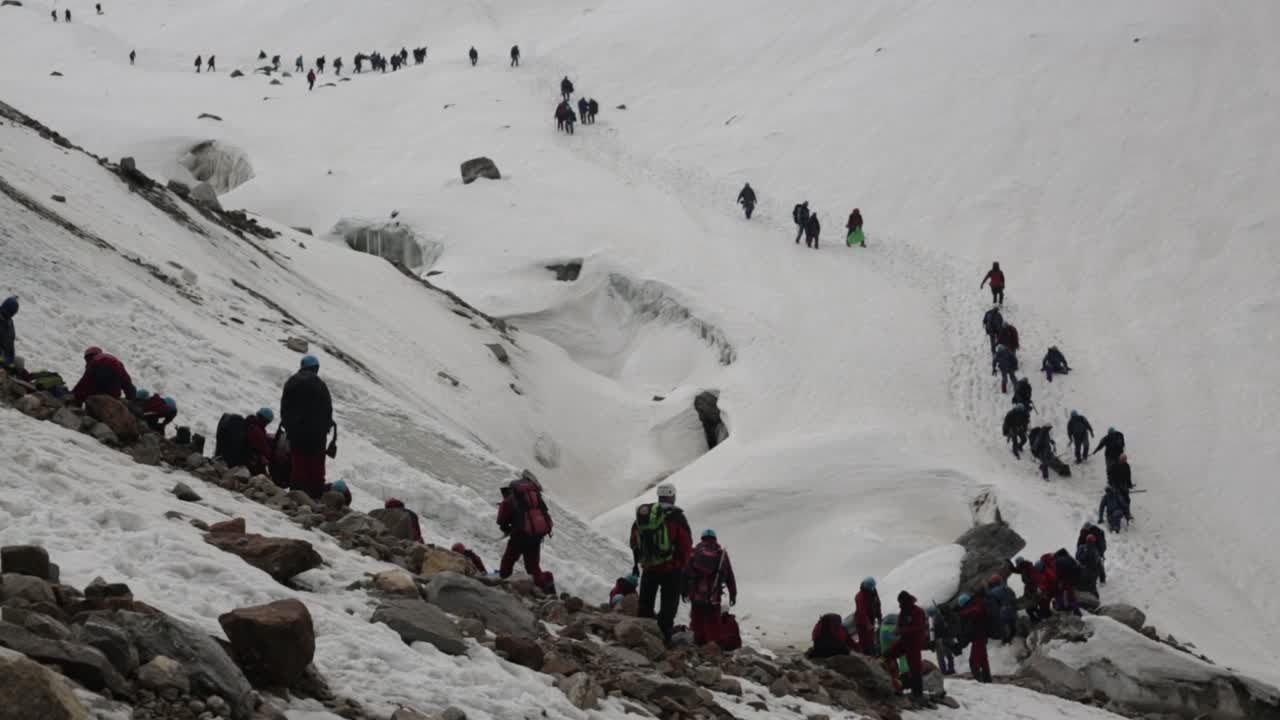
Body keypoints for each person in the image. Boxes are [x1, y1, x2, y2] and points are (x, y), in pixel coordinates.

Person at [630, 483, 693, 644]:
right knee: (668, 605)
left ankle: (641, 637)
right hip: (671, 569)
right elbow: (686, 544)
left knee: (645, 602)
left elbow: (634, 541)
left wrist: (640, 562)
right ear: (673, 496)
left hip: (649, 566)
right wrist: (682, 565)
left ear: (658, 496)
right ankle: (664, 639)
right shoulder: (677, 516)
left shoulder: (644, 516)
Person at [280, 355, 333, 498]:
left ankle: (297, 492)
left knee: (299, 462)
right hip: (317, 434)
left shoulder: (291, 382)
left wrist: (289, 427)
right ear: (315, 368)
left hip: (297, 432)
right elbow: (328, 409)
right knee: (316, 464)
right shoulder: (320, 384)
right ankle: (315, 494)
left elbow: (285, 407)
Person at [496, 471, 553, 586]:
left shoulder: (509, 499)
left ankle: (502, 582)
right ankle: (543, 587)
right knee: (533, 565)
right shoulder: (534, 496)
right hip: (536, 536)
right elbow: (545, 513)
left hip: (520, 535)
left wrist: (507, 528)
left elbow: (501, 520)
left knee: (508, 560)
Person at [683, 529, 737, 646]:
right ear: (715, 539)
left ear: (702, 538)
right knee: (713, 623)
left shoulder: (694, 552)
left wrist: (684, 591)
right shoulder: (721, 554)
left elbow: (686, 573)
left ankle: (697, 644)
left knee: (697, 620)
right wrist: (733, 594)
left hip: (696, 595)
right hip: (714, 595)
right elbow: (729, 576)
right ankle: (712, 646)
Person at [886, 591, 928, 703]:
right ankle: (895, 684)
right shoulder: (903, 611)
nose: (900, 604)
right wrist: (898, 630)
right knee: (888, 654)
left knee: (915, 667)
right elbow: (900, 624)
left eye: (901, 602)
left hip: (914, 643)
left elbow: (918, 628)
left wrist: (901, 630)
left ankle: (917, 694)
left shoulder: (918, 612)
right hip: (904, 641)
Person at [72, 347, 136, 404]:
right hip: (113, 388)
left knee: (89, 392)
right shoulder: (116, 361)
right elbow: (127, 382)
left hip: (99, 376)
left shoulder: (93, 361)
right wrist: (132, 400)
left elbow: (84, 382)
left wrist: (74, 393)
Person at [956, 593, 992, 682]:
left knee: (973, 660)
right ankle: (987, 679)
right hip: (982, 636)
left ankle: (978, 680)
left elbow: (970, 630)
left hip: (977, 638)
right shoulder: (977, 607)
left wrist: (963, 641)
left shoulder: (969, 613)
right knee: (983, 659)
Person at [853, 577, 882, 656]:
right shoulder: (860, 597)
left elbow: (878, 604)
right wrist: (868, 624)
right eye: (871, 587)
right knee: (864, 641)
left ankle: (872, 654)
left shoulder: (874, 592)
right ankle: (866, 655)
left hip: (871, 619)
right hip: (861, 622)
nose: (873, 589)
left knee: (871, 640)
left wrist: (879, 618)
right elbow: (862, 612)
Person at [244, 407, 274, 476]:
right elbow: (267, 452)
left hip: (244, 453)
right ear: (265, 421)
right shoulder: (257, 431)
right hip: (249, 460)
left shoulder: (250, 422)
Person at [989, 576, 1018, 643]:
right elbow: (1013, 598)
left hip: (1002, 612)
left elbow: (992, 604)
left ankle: (1006, 643)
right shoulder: (1008, 588)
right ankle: (1013, 640)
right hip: (1012, 611)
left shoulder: (992, 592)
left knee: (1004, 630)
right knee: (1012, 627)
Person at [927, 607, 956, 675]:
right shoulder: (942, 616)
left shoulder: (932, 619)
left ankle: (943, 671)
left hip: (939, 639)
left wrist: (932, 642)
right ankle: (951, 669)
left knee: (940, 657)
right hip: (947, 638)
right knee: (949, 655)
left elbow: (932, 631)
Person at [1052, 548, 1081, 614]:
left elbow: (1057, 573)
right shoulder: (1070, 558)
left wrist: (1059, 582)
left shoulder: (1057, 561)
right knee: (1070, 595)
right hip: (1074, 579)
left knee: (1062, 594)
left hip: (1065, 580)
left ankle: (1064, 608)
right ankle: (1075, 610)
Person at [1107, 453, 1134, 520]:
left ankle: (1127, 513)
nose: (1124, 461)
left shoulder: (1126, 466)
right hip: (1116, 485)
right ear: (1120, 459)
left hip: (1124, 485)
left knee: (1127, 500)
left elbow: (1128, 476)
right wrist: (1112, 484)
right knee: (1119, 500)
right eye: (1123, 459)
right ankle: (1118, 513)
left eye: (1125, 460)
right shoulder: (1114, 466)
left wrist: (1129, 484)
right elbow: (1110, 475)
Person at [0, 296, 17, 364]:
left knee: (19, 362)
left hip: (4, 361)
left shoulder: (10, 325)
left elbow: (11, 349)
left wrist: (10, 362)